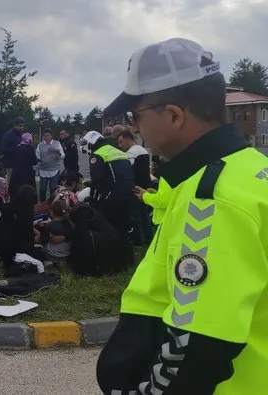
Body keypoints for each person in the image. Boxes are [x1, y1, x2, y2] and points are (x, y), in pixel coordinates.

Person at [96, 37, 268, 395]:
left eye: (135, 115)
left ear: (173, 115)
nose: (134, 127)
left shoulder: (212, 197)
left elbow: (199, 346)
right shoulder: (250, 169)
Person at [80, 130, 136, 238]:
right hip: (130, 192)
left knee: (105, 222)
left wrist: (93, 194)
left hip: (113, 193)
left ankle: (107, 246)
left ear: (91, 142)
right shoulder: (118, 152)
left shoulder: (97, 154)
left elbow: (98, 179)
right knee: (122, 224)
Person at [0, 184, 43, 265]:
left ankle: (6, 258)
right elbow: (27, 237)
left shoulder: (10, 206)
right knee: (39, 253)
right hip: (9, 246)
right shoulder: (25, 213)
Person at [118, 129, 153, 245]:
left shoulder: (131, 153)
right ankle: (148, 237)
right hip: (145, 186)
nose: (120, 145)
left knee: (137, 215)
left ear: (128, 140)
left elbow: (126, 171)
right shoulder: (142, 150)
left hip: (136, 188)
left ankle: (139, 240)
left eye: (121, 142)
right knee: (144, 215)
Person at [35, 129, 65, 202]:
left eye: (48, 136)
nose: (46, 137)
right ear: (43, 136)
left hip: (54, 170)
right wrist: (39, 160)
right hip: (43, 170)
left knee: (52, 189)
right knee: (42, 189)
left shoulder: (57, 143)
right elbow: (37, 155)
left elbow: (63, 156)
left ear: (51, 136)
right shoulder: (40, 145)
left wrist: (59, 153)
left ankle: (52, 204)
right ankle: (42, 204)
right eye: (45, 136)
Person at [0, 117, 27, 187]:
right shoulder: (8, 135)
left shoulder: (21, 135)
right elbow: (2, 149)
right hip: (10, 166)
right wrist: (15, 149)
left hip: (20, 165)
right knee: (8, 186)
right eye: (20, 126)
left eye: (23, 126)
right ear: (15, 125)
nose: (22, 128)